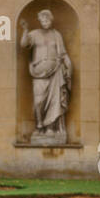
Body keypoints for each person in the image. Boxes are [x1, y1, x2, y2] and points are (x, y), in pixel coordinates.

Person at [19, 9, 72, 143]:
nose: (45, 22)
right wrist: (25, 30)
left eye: (47, 20)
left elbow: (63, 54)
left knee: (55, 101)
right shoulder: (34, 34)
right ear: (40, 20)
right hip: (38, 74)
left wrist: (69, 66)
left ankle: (50, 127)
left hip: (56, 72)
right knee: (38, 101)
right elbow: (24, 44)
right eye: (43, 20)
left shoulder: (56, 35)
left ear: (51, 20)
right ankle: (39, 125)